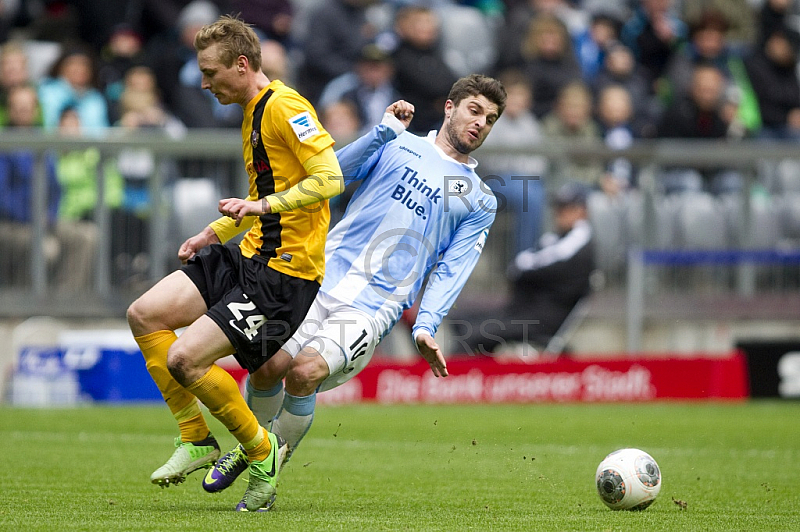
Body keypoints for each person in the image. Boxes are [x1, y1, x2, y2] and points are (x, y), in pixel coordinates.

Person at [201, 74, 507, 500]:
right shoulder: (399, 142)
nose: (480, 123)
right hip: (319, 277)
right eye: (475, 111)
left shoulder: (478, 198)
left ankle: (266, 475)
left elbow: (454, 268)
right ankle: (251, 447)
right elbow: (331, 174)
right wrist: (379, 133)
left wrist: (427, 325)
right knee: (267, 367)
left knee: (304, 372)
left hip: (373, 306)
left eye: (490, 119)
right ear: (450, 108)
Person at [125, 15, 344, 512]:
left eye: (210, 71)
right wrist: (214, 231)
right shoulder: (252, 108)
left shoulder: (287, 106)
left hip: (283, 273)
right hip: (246, 255)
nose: (204, 83)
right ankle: (196, 438)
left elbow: (329, 178)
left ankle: (261, 453)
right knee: (144, 314)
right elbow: (259, 195)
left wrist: (261, 209)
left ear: (241, 65)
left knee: (185, 359)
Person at [449, 180, 595, 356]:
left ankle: (455, 381)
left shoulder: (577, 243)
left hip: (540, 320)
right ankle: (480, 377)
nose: (559, 213)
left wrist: (522, 270)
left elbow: (532, 269)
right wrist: (522, 270)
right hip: (522, 311)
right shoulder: (558, 238)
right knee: (460, 319)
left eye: (565, 208)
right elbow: (525, 267)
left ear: (581, 210)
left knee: (472, 335)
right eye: (558, 208)